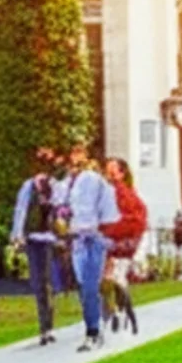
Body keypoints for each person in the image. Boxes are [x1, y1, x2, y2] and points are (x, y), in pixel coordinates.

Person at [64, 143, 120, 352]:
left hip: (94, 238)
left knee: (88, 285)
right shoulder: (70, 184)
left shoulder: (98, 184)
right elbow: (64, 207)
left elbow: (109, 214)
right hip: (79, 238)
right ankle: (99, 316)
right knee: (84, 284)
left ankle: (93, 333)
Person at [9, 148, 66, 345]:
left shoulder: (55, 187)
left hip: (48, 239)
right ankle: (45, 328)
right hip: (34, 239)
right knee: (40, 283)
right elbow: (21, 210)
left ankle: (48, 326)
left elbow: (61, 210)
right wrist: (17, 235)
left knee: (48, 282)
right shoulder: (28, 187)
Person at [101, 157, 146, 335]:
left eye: (113, 171)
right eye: (107, 170)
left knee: (112, 278)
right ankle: (122, 315)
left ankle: (120, 314)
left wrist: (112, 232)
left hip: (120, 241)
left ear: (122, 173)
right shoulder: (116, 192)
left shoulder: (122, 193)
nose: (109, 174)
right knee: (114, 278)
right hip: (119, 240)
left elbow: (132, 218)